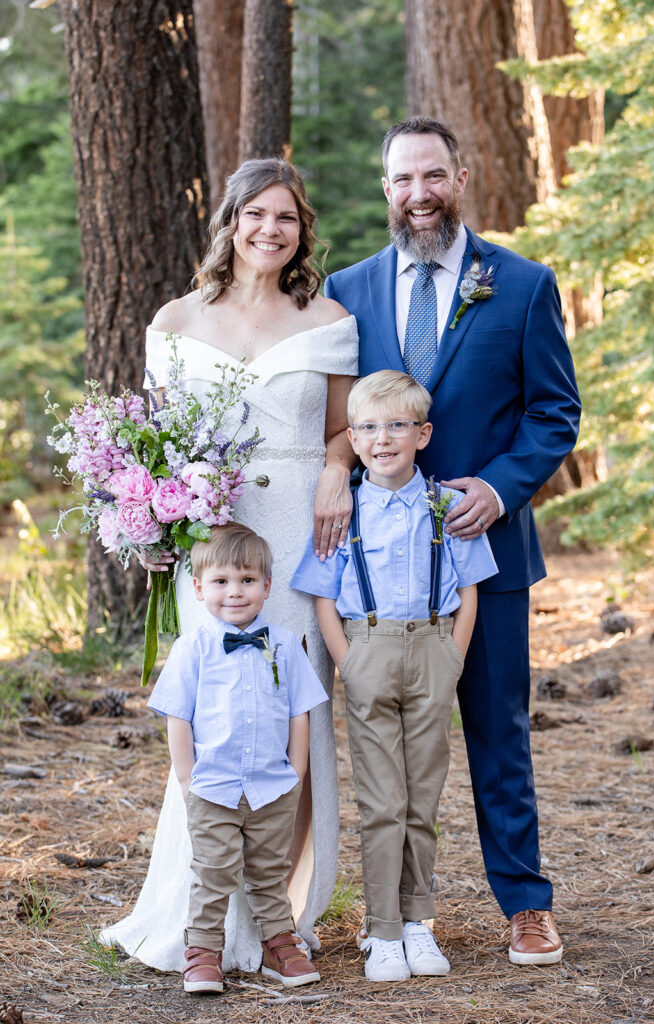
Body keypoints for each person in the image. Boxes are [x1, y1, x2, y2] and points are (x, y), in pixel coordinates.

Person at [325, 117, 581, 966]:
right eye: (402, 180)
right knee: (385, 748)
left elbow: (553, 413)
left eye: (432, 176)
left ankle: (525, 903)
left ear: (461, 177)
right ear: (385, 189)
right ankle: (390, 919)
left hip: (488, 561)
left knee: (496, 730)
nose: (418, 194)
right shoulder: (347, 289)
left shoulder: (521, 284)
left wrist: (499, 488)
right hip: (380, 573)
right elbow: (333, 419)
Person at [100, 157, 358, 972]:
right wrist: (149, 512)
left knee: (292, 711)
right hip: (211, 542)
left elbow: (346, 430)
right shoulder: (176, 320)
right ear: (232, 221)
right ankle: (199, 914)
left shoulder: (327, 320)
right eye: (256, 215)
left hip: (293, 536)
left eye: (285, 217)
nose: (269, 230)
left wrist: (331, 470)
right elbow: (154, 442)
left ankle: (279, 911)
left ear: (300, 231)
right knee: (210, 709)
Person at [291, 370, 498, 981]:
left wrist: (454, 655)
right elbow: (325, 596)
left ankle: (418, 924)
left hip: (434, 650)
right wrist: (348, 661)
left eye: (397, 426)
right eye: (370, 428)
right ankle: (381, 930)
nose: (383, 439)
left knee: (421, 798)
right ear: (352, 439)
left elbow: (468, 588)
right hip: (368, 651)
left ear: (423, 434)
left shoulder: (447, 505)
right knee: (382, 800)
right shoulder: (342, 511)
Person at [148, 524, 328, 992]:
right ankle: (203, 950)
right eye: (222, 581)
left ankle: (279, 944)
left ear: (267, 586)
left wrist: (297, 770)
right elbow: (177, 717)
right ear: (198, 587)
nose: (235, 592)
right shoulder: (193, 649)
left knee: (270, 873)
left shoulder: (286, 645)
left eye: (247, 580)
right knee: (212, 873)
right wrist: (188, 779)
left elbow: (300, 711)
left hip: (273, 785)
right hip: (214, 786)